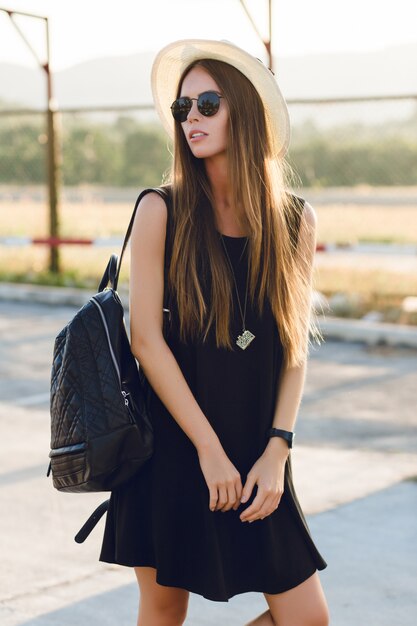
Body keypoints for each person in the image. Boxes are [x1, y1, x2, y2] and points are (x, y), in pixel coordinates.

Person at [100, 39, 329, 626]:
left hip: (258, 449)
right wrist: (208, 450)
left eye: (207, 104)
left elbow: (293, 347)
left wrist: (278, 446)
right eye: (183, 110)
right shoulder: (161, 210)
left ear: (246, 110)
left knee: (306, 618)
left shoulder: (295, 221)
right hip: (172, 445)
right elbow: (145, 340)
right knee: (163, 609)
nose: (191, 120)